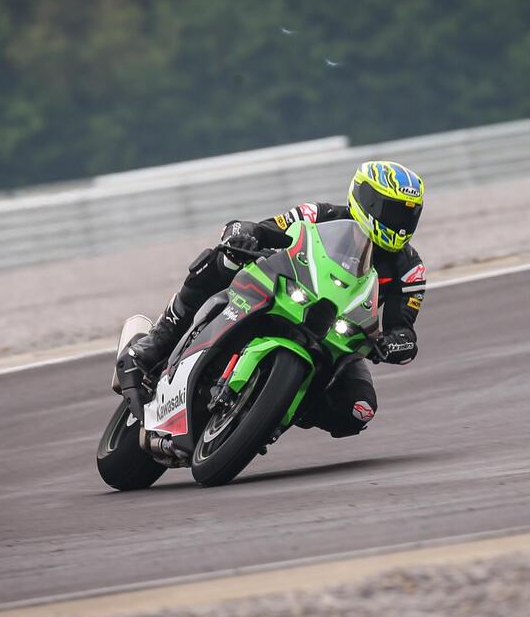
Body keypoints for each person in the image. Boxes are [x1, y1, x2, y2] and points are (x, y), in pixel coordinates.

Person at [130, 160, 426, 438]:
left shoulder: (410, 268)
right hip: (284, 293)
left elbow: (403, 326)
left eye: (409, 215)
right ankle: (159, 339)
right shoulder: (320, 215)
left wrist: (397, 342)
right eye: (395, 212)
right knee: (225, 260)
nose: (401, 224)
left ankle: (277, 409)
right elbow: (267, 229)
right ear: (368, 200)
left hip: (336, 336)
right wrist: (244, 233)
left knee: (359, 409)